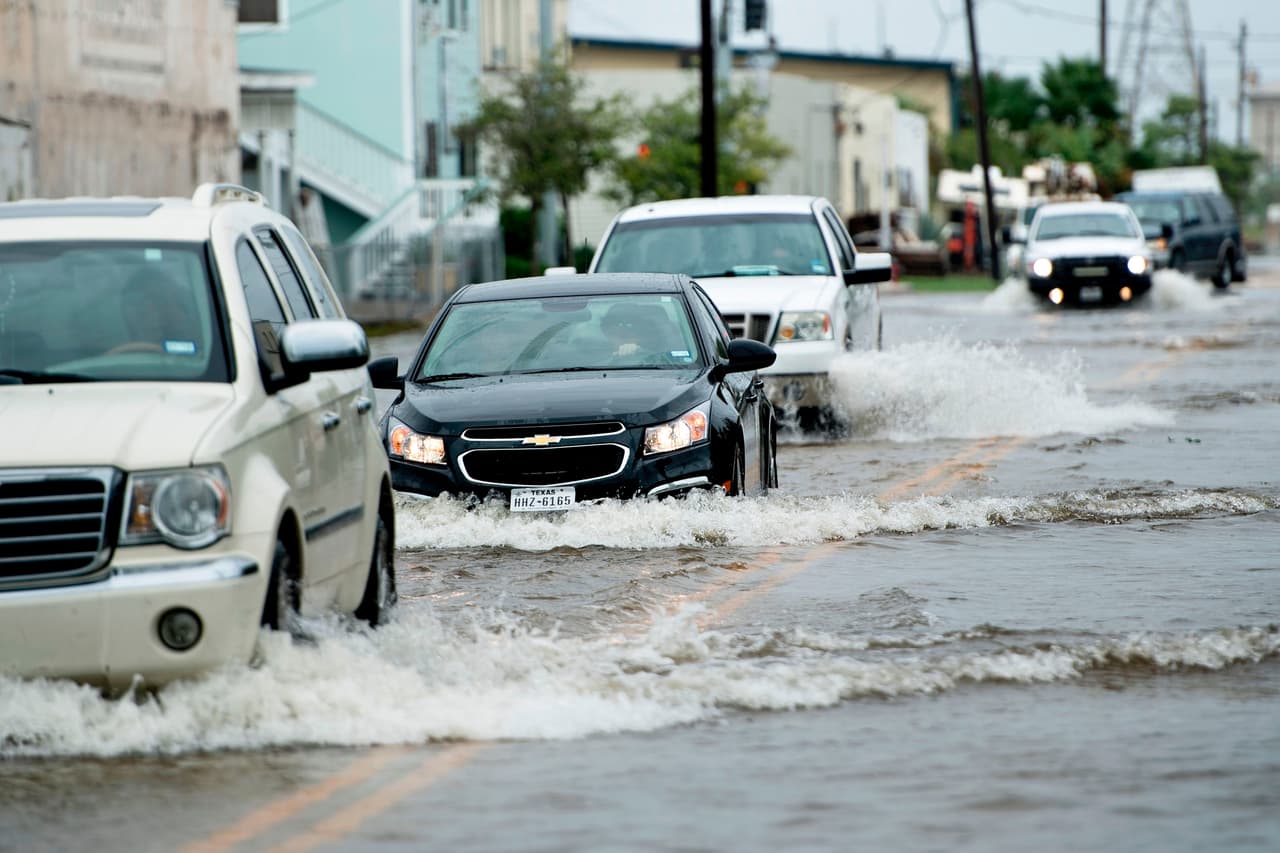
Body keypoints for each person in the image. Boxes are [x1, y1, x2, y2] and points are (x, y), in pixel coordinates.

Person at [112, 269, 199, 354]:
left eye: (157, 300)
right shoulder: (107, 353)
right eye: (136, 304)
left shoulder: (193, 347)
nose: (148, 310)